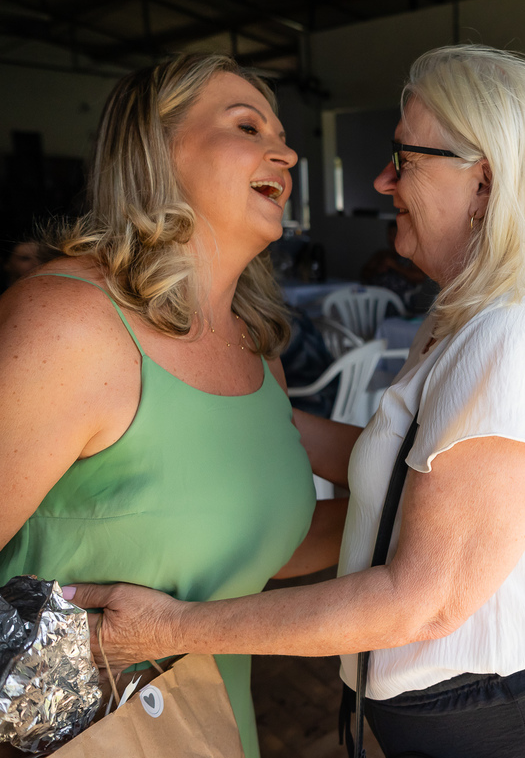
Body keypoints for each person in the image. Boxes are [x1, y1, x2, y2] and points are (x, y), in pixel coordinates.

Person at [71, 44, 525, 758]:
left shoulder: (522, 332)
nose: (382, 180)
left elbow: (422, 599)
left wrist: (173, 627)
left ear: (485, 181)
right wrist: (230, 406)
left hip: (515, 723)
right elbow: (413, 467)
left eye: (404, 159)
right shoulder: (478, 315)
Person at [0, 54, 347, 758]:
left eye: (282, 134)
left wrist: (432, 510)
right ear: (155, 152)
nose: (286, 150)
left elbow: (250, 547)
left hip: (211, 733)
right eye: (247, 125)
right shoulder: (68, 321)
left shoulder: (255, 347)